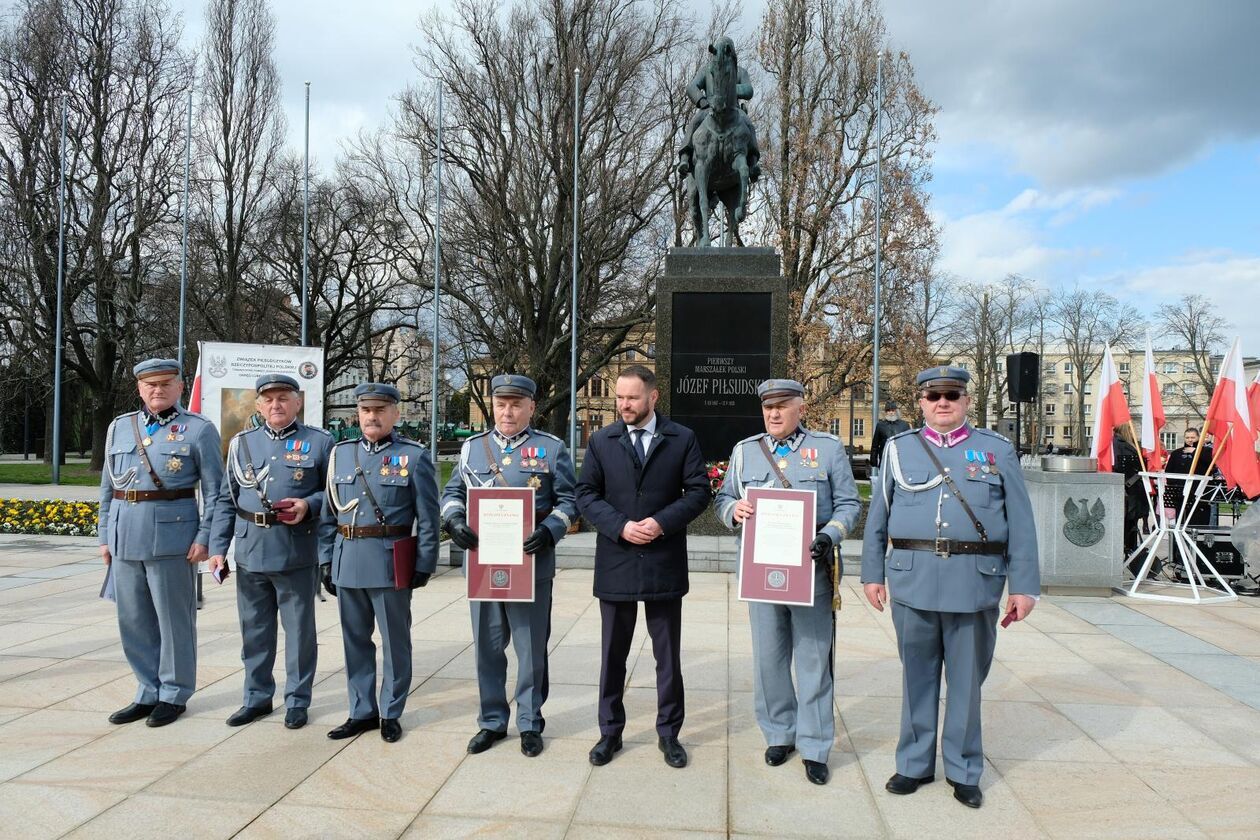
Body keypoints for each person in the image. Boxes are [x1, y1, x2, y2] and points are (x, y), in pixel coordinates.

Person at [860, 366, 1039, 809]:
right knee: (916, 677)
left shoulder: (995, 450)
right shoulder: (901, 450)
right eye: (933, 395)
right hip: (912, 579)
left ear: (966, 401)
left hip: (972, 583)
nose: (943, 402)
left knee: (966, 682)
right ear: (920, 402)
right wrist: (870, 573)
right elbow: (878, 516)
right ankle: (914, 763)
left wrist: (1025, 586)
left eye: (952, 395)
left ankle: (962, 768)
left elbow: (1021, 521)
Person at [714, 379, 860, 785]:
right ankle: (779, 733)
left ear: (800, 406)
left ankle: (815, 745)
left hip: (811, 573)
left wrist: (829, 533)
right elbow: (722, 499)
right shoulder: (745, 452)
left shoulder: (827, 449)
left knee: (814, 661)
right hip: (761, 574)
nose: (774, 414)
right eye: (768, 407)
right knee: (769, 659)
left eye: (782, 406)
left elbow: (849, 503)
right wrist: (734, 510)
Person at [575, 364, 710, 769]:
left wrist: (660, 523)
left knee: (667, 656)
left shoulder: (682, 438)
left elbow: (699, 491)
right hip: (616, 560)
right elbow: (585, 493)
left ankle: (669, 734)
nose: (623, 405)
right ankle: (609, 733)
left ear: (653, 397)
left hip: (663, 560)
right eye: (619, 397)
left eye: (631, 398)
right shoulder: (601, 441)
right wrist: (620, 526)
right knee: (613, 655)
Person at [441, 374, 578, 758]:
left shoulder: (550, 449)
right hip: (484, 564)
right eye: (501, 404)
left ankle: (530, 722)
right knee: (487, 647)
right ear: (493, 406)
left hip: (531, 564)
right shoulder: (472, 448)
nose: (508, 411)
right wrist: (453, 520)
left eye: (516, 404)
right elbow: (452, 492)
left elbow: (570, 499)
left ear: (531, 407)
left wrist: (551, 530)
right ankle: (491, 721)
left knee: (530, 647)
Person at [97, 358, 223, 727]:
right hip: (124, 535)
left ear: (180, 387)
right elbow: (108, 487)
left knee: (173, 621)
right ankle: (146, 690)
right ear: (139, 388)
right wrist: (105, 535)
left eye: (166, 383)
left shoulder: (198, 429)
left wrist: (205, 538)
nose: (157, 390)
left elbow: (215, 492)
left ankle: (174, 692)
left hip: (173, 537)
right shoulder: (120, 427)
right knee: (133, 620)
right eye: (150, 385)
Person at [208, 374, 333, 730]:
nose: (276, 405)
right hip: (250, 550)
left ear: (297, 403)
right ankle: (257, 698)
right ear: (259, 406)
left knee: (299, 634)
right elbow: (225, 499)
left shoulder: (319, 442)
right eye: (269, 400)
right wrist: (219, 548)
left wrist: (308, 505)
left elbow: (334, 495)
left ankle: (297, 700)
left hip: (295, 550)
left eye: (283, 398)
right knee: (255, 632)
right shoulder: (241, 444)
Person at [318, 382, 440, 743]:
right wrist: (326, 559)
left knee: (395, 642)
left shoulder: (414, 456)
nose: (372, 416)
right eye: (366, 410)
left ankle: (391, 711)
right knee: (354, 641)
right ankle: (362, 711)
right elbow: (328, 514)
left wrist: (425, 562)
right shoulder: (340, 454)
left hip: (390, 563)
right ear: (358, 414)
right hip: (347, 559)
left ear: (395, 414)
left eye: (380, 410)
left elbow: (429, 517)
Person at [1164, 427, 1214, 527]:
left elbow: (1211, 465)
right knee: (1181, 522)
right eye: (1187, 437)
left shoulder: (1207, 451)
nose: (1190, 440)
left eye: (1192, 437)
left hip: (1199, 495)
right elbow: (1169, 472)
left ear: (1198, 438)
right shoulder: (1176, 453)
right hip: (1181, 493)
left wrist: (1195, 452)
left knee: (1198, 522)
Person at [870, 400, 911, 484]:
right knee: (885, 482)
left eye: (893, 410)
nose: (891, 413)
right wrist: (873, 460)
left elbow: (909, 444)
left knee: (900, 481)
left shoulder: (904, 425)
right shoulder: (880, 425)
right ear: (885, 412)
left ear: (896, 411)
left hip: (901, 459)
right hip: (885, 458)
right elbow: (875, 444)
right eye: (888, 411)